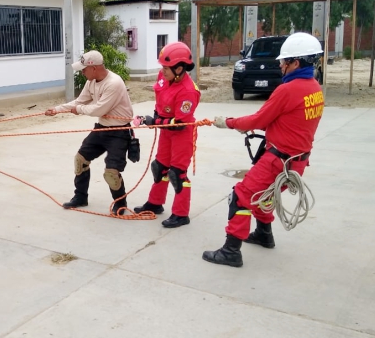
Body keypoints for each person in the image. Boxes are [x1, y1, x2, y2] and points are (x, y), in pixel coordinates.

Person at [202, 32, 324, 268]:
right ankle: (264, 234)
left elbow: (258, 120)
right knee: (264, 195)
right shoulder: (315, 88)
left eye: (283, 61)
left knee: (241, 196)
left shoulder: (288, 90)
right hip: (296, 161)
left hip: (279, 160)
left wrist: (227, 122)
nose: (280, 65)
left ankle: (231, 251)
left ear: (295, 63)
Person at [45, 50, 134, 216]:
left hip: (119, 131)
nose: (82, 72)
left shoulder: (113, 83)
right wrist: (57, 110)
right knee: (80, 160)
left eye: (84, 69)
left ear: (94, 68)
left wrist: (78, 110)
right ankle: (80, 197)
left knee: (111, 173)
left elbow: (99, 108)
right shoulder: (92, 81)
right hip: (101, 127)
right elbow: (80, 101)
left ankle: (120, 204)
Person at [132, 42, 201, 228]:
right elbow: (159, 98)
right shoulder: (164, 77)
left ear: (179, 68)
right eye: (162, 66)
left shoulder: (188, 92)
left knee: (177, 174)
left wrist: (154, 122)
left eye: (166, 67)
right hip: (165, 133)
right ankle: (155, 203)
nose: (162, 71)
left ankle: (181, 214)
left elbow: (179, 124)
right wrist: (155, 116)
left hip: (182, 134)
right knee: (160, 167)